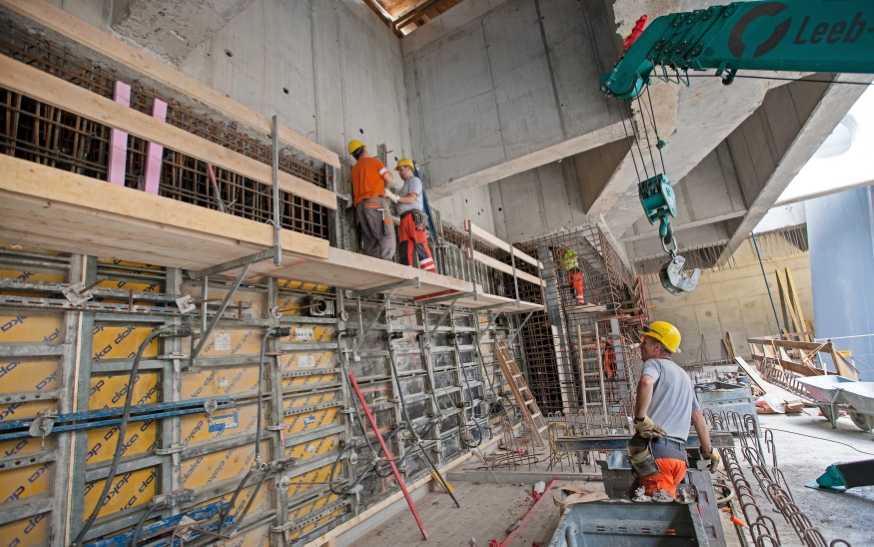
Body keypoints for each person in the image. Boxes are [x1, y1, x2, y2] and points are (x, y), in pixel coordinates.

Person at [630, 321, 720, 497]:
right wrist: (708, 452)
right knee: (635, 499)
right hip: (678, 459)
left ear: (657, 348)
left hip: (657, 456)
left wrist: (640, 419)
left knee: (658, 518)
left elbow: (646, 382)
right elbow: (698, 417)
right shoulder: (684, 377)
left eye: (645, 342)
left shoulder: (654, 364)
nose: (640, 346)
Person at [348, 140, 398, 261]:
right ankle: (386, 265)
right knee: (387, 235)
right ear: (364, 149)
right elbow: (389, 179)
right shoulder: (375, 162)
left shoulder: (354, 170)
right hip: (376, 202)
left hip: (360, 207)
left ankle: (373, 266)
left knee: (370, 240)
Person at [393, 158, 436, 273]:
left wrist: (396, 198)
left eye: (401, 170)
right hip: (404, 219)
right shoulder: (405, 186)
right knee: (404, 249)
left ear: (408, 168)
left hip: (413, 217)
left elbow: (411, 199)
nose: (399, 172)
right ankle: (407, 275)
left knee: (420, 245)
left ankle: (431, 275)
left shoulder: (414, 181)